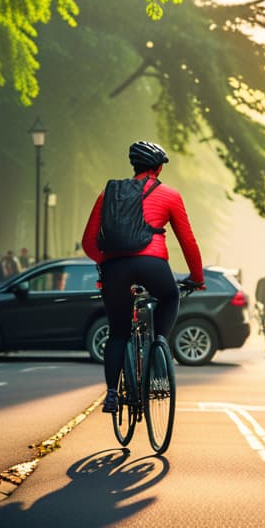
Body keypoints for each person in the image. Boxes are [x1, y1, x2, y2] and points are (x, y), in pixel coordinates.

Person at [82, 141, 204, 414]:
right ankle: (158, 347)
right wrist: (197, 277)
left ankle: (112, 395)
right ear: (159, 168)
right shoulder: (170, 195)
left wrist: (108, 262)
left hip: (115, 268)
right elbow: (188, 242)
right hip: (153, 264)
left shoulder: (107, 195)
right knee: (170, 296)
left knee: (118, 334)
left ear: (134, 166)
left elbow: (89, 241)